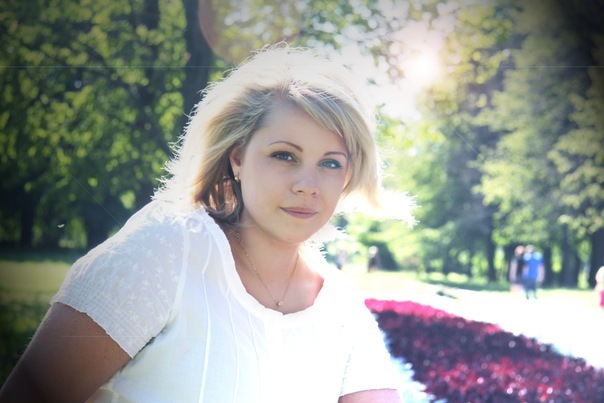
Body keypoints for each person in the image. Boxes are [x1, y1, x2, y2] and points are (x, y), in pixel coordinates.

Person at [0, 45, 405, 402]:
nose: (307, 185)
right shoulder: (163, 252)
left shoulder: (342, 307)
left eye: (330, 163)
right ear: (237, 158)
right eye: (284, 155)